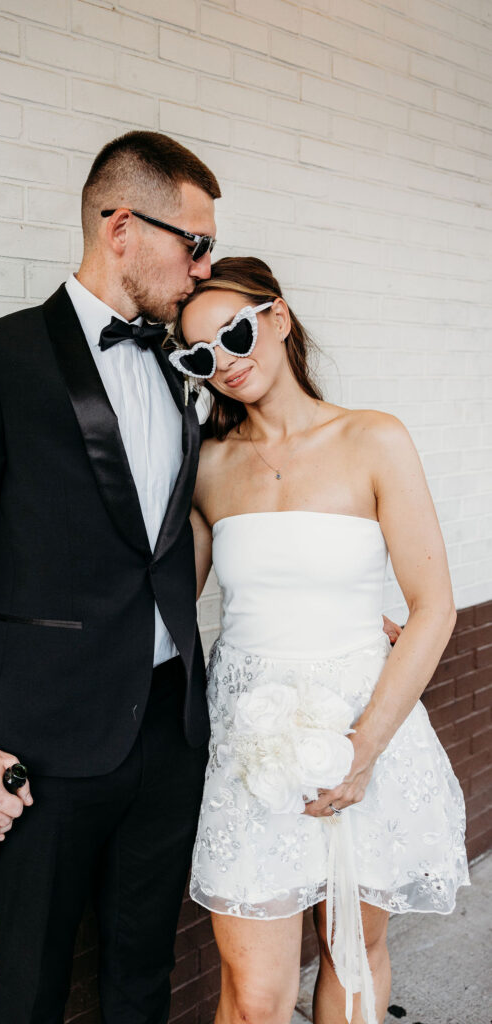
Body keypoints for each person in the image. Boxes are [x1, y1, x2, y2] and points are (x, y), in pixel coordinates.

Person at [0, 130, 220, 1023]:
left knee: (143, 975)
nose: (203, 268)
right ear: (121, 228)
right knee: (33, 983)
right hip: (41, 740)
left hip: (170, 728)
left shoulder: (185, 365)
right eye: (194, 243)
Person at [172, 256, 469, 1024]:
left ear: (277, 317)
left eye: (234, 334)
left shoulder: (373, 439)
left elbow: (433, 606)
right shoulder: (206, 465)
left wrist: (362, 749)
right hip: (248, 744)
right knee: (255, 995)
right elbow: (166, 604)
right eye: (198, 355)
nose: (223, 362)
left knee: (352, 956)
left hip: (365, 726)